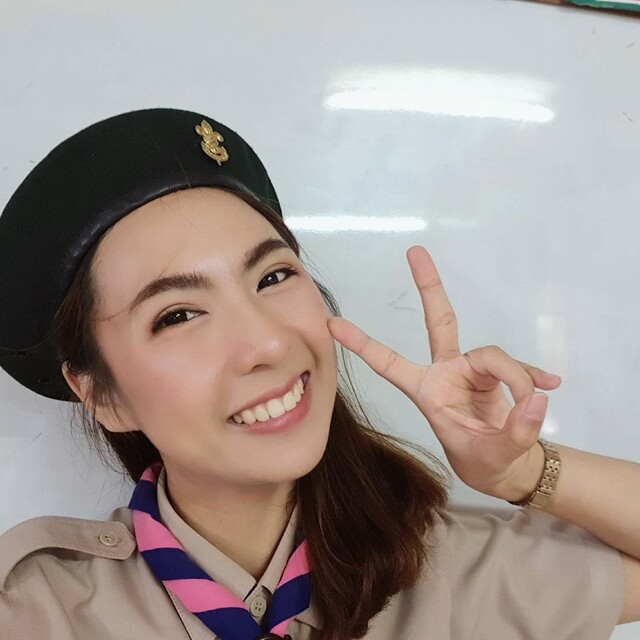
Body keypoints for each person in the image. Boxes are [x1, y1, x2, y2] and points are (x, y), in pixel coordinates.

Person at [0, 107, 637, 640]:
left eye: (273, 276)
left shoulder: (448, 572)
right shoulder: (38, 612)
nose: (269, 342)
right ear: (101, 394)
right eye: (179, 315)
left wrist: (520, 474)